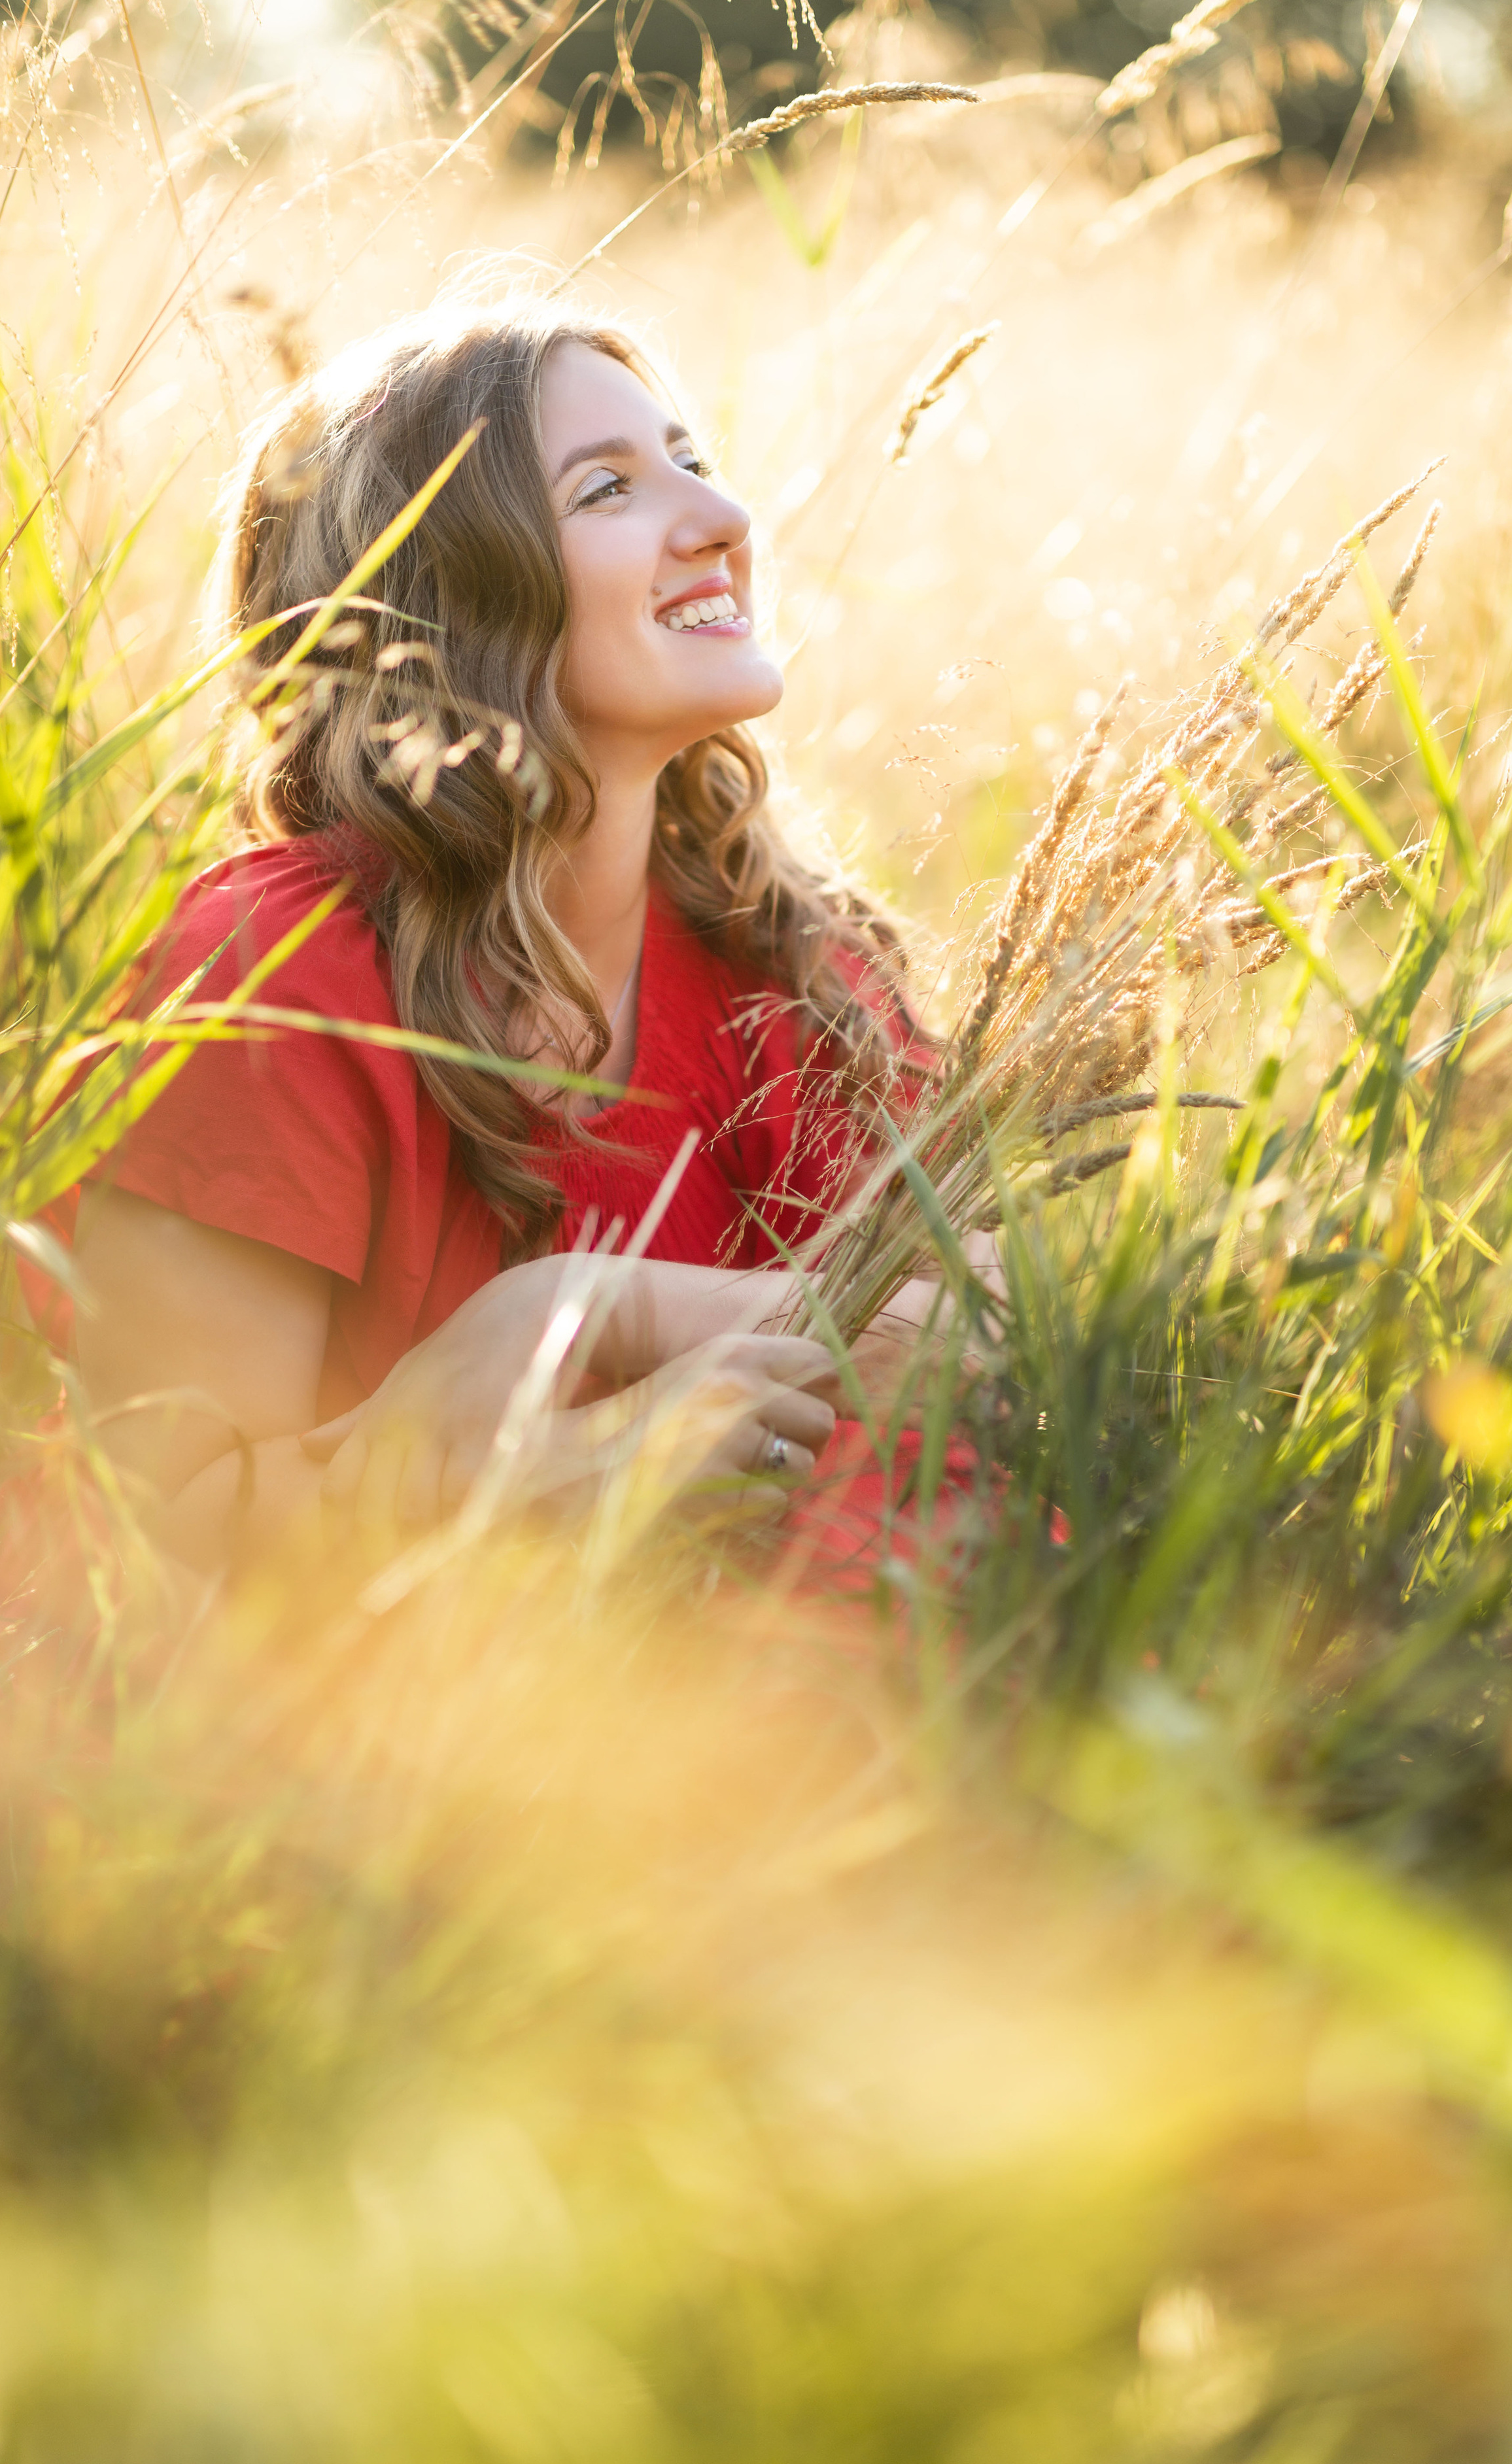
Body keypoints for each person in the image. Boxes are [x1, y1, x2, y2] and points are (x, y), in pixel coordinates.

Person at [61, 292, 967, 1580]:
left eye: (691, 464)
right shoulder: (274, 977)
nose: (722, 522)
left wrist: (582, 1305)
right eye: (607, 490)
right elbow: (159, 1540)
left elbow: (973, 1322)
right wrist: (569, 1481)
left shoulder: (782, 954)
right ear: (440, 601)